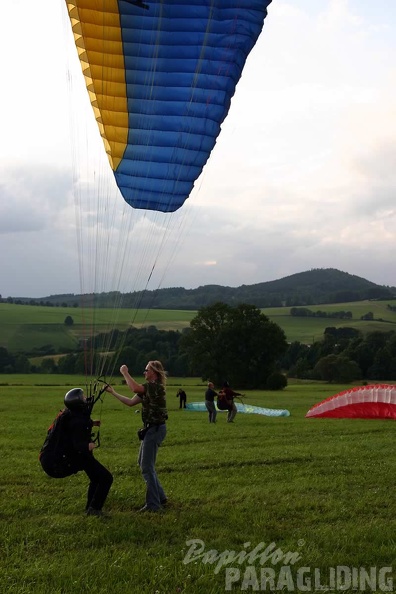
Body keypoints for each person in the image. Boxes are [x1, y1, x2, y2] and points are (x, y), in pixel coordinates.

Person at [39, 388, 113, 517]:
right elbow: (78, 445)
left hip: (54, 458)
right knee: (106, 478)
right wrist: (88, 445)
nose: (86, 399)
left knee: (96, 477)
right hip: (58, 463)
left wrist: (91, 423)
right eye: (83, 398)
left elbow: (72, 429)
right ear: (78, 403)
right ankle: (94, 509)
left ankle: (91, 509)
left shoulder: (69, 413)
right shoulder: (77, 421)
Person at [106, 361, 168, 512]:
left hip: (155, 429)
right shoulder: (148, 389)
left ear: (154, 372)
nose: (144, 373)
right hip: (150, 430)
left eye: (146, 370)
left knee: (146, 467)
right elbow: (131, 402)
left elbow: (134, 387)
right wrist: (113, 392)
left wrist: (125, 372)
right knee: (143, 463)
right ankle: (160, 497)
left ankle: (154, 505)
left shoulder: (155, 387)